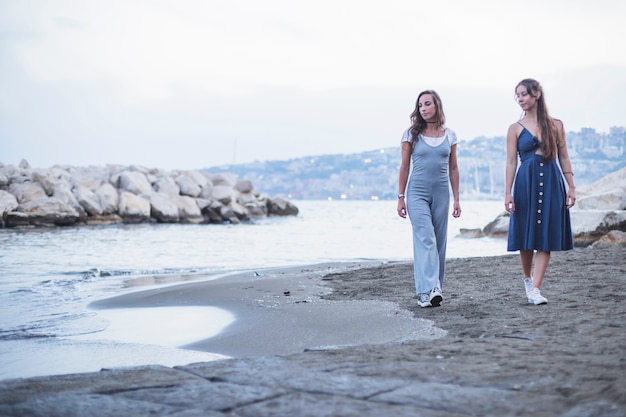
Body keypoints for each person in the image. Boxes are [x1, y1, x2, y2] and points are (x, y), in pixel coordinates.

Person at [505, 78, 576, 305]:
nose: (520, 99)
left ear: (536, 95)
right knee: (526, 235)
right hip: (526, 182)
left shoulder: (556, 125)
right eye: (517, 95)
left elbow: (564, 157)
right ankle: (527, 280)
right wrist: (507, 192)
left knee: (546, 235)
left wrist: (571, 187)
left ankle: (535, 288)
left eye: (524, 94)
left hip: (553, 181)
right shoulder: (515, 128)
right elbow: (510, 163)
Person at [397, 90, 461, 308]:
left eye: (427, 104)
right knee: (426, 239)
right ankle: (428, 289)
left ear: (437, 106)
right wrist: (400, 197)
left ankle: (433, 291)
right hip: (417, 192)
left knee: (440, 241)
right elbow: (404, 167)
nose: (423, 108)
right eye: (420, 105)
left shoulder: (450, 135)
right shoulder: (410, 134)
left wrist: (457, 199)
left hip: (442, 192)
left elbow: (453, 168)